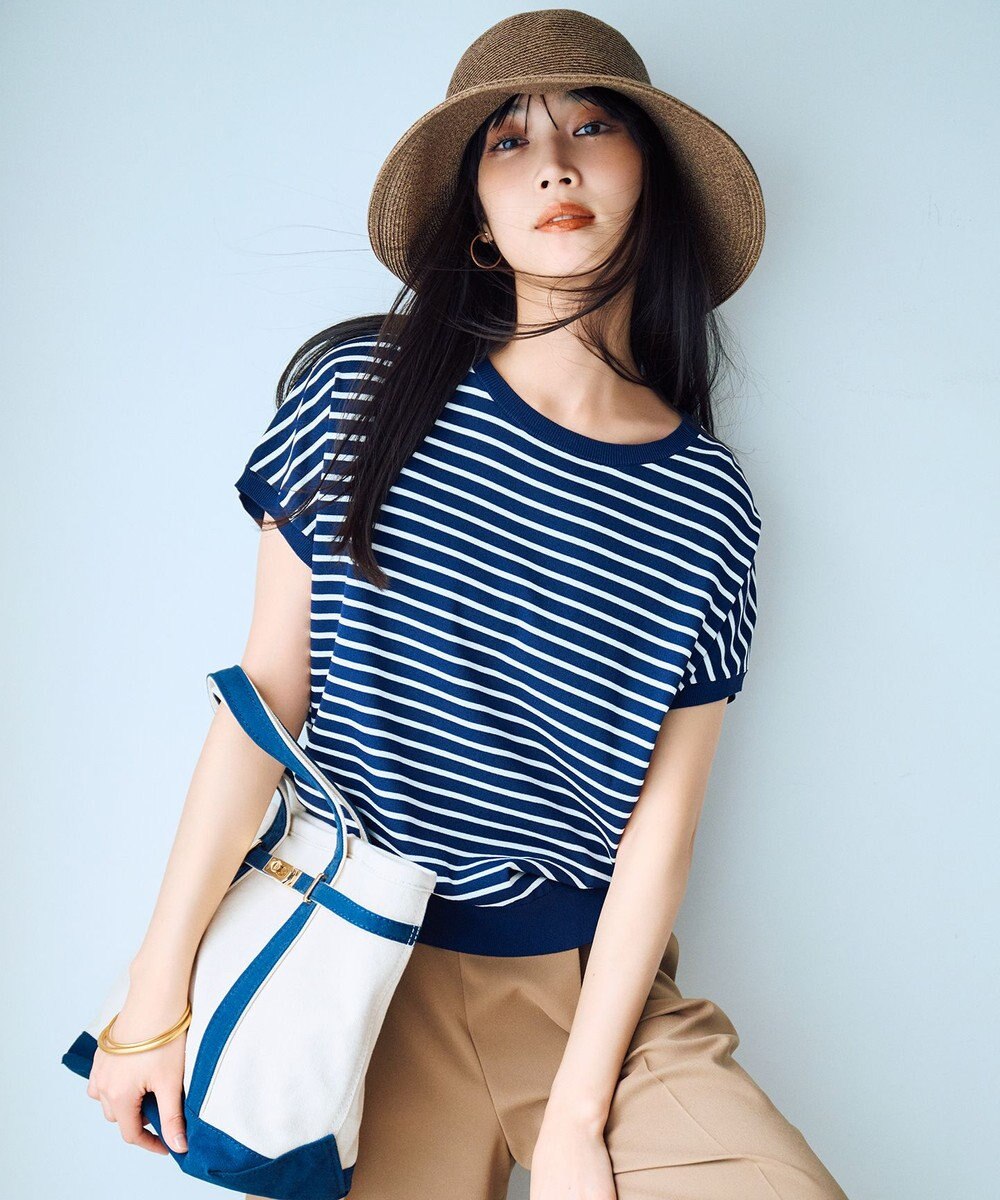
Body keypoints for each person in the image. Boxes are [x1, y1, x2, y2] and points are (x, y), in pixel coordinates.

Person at [86, 10, 850, 1200]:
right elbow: (262, 704)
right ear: (481, 222)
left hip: (591, 997)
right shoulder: (358, 395)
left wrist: (579, 1123)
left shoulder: (707, 500)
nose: (552, 164)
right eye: (509, 141)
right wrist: (154, 992)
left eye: (591, 128)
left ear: (651, 186)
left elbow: (661, 830)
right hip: (360, 986)